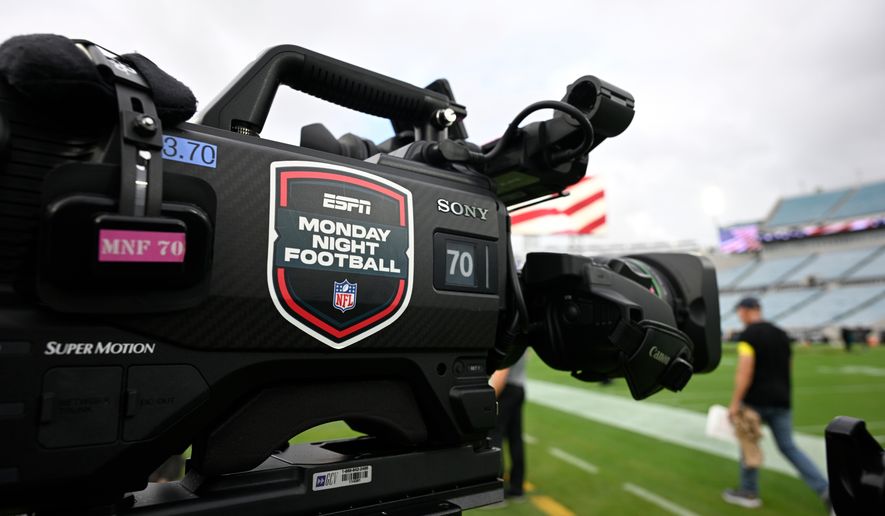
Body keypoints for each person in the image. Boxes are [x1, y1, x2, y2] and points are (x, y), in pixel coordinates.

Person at [722, 297, 830, 511]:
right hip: (782, 399)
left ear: (745, 311)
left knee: (748, 444)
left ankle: (749, 491)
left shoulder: (748, 335)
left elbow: (746, 370)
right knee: (789, 447)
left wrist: (735, 402)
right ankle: (826, 491)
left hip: (755, 400)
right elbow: (788, 366)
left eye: (740, 311)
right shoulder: (781, 334)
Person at [489, 353, 528, 500]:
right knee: (515, 439)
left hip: (505, 390)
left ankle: (495, 493)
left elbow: (502, 371)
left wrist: (488, 401)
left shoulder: (509, 337)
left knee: (494, 437)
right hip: (518, 388)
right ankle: (517, 488)